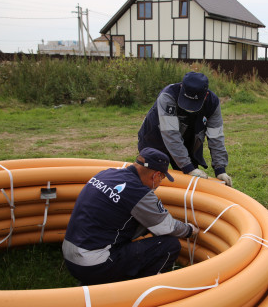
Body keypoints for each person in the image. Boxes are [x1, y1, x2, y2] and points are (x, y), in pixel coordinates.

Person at [62, 147, 199, 285]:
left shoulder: (106, 174)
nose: (160, 182)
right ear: (156, 175)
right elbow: (167, 226)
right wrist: (189, 230)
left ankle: (96, 281)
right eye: (162, 178)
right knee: (169, 245)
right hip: (94, 265)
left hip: (70, 257)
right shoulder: (138, 192)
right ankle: (140, 290)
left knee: (138, 226)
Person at [138, 71, 232, 187]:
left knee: (190, 183)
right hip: (155, 140)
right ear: (182, 87)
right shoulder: (168, 96)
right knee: (150, 180)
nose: (190, 108)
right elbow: (170, 134)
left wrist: (220, 169)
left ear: (206, 95)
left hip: (186, 143)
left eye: (194, 103)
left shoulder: (212, 103)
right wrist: (188, 168)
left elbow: (216, 136)